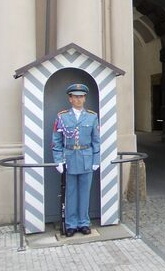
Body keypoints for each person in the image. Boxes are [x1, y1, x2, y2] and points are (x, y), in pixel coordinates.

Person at [52, 83, 101, 237]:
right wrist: (58, 160)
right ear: (70, 99)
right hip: (70, 158)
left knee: (85, 193)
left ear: (85, 98)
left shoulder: (92, 116)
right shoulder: (63, 116)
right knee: (70, 193)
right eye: (75, 96)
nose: (78, 99)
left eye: (81, 96)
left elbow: (96, 140)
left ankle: (84, 223)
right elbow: (56, 140)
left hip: (86, 158)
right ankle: (71, 224)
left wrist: (96, 159)